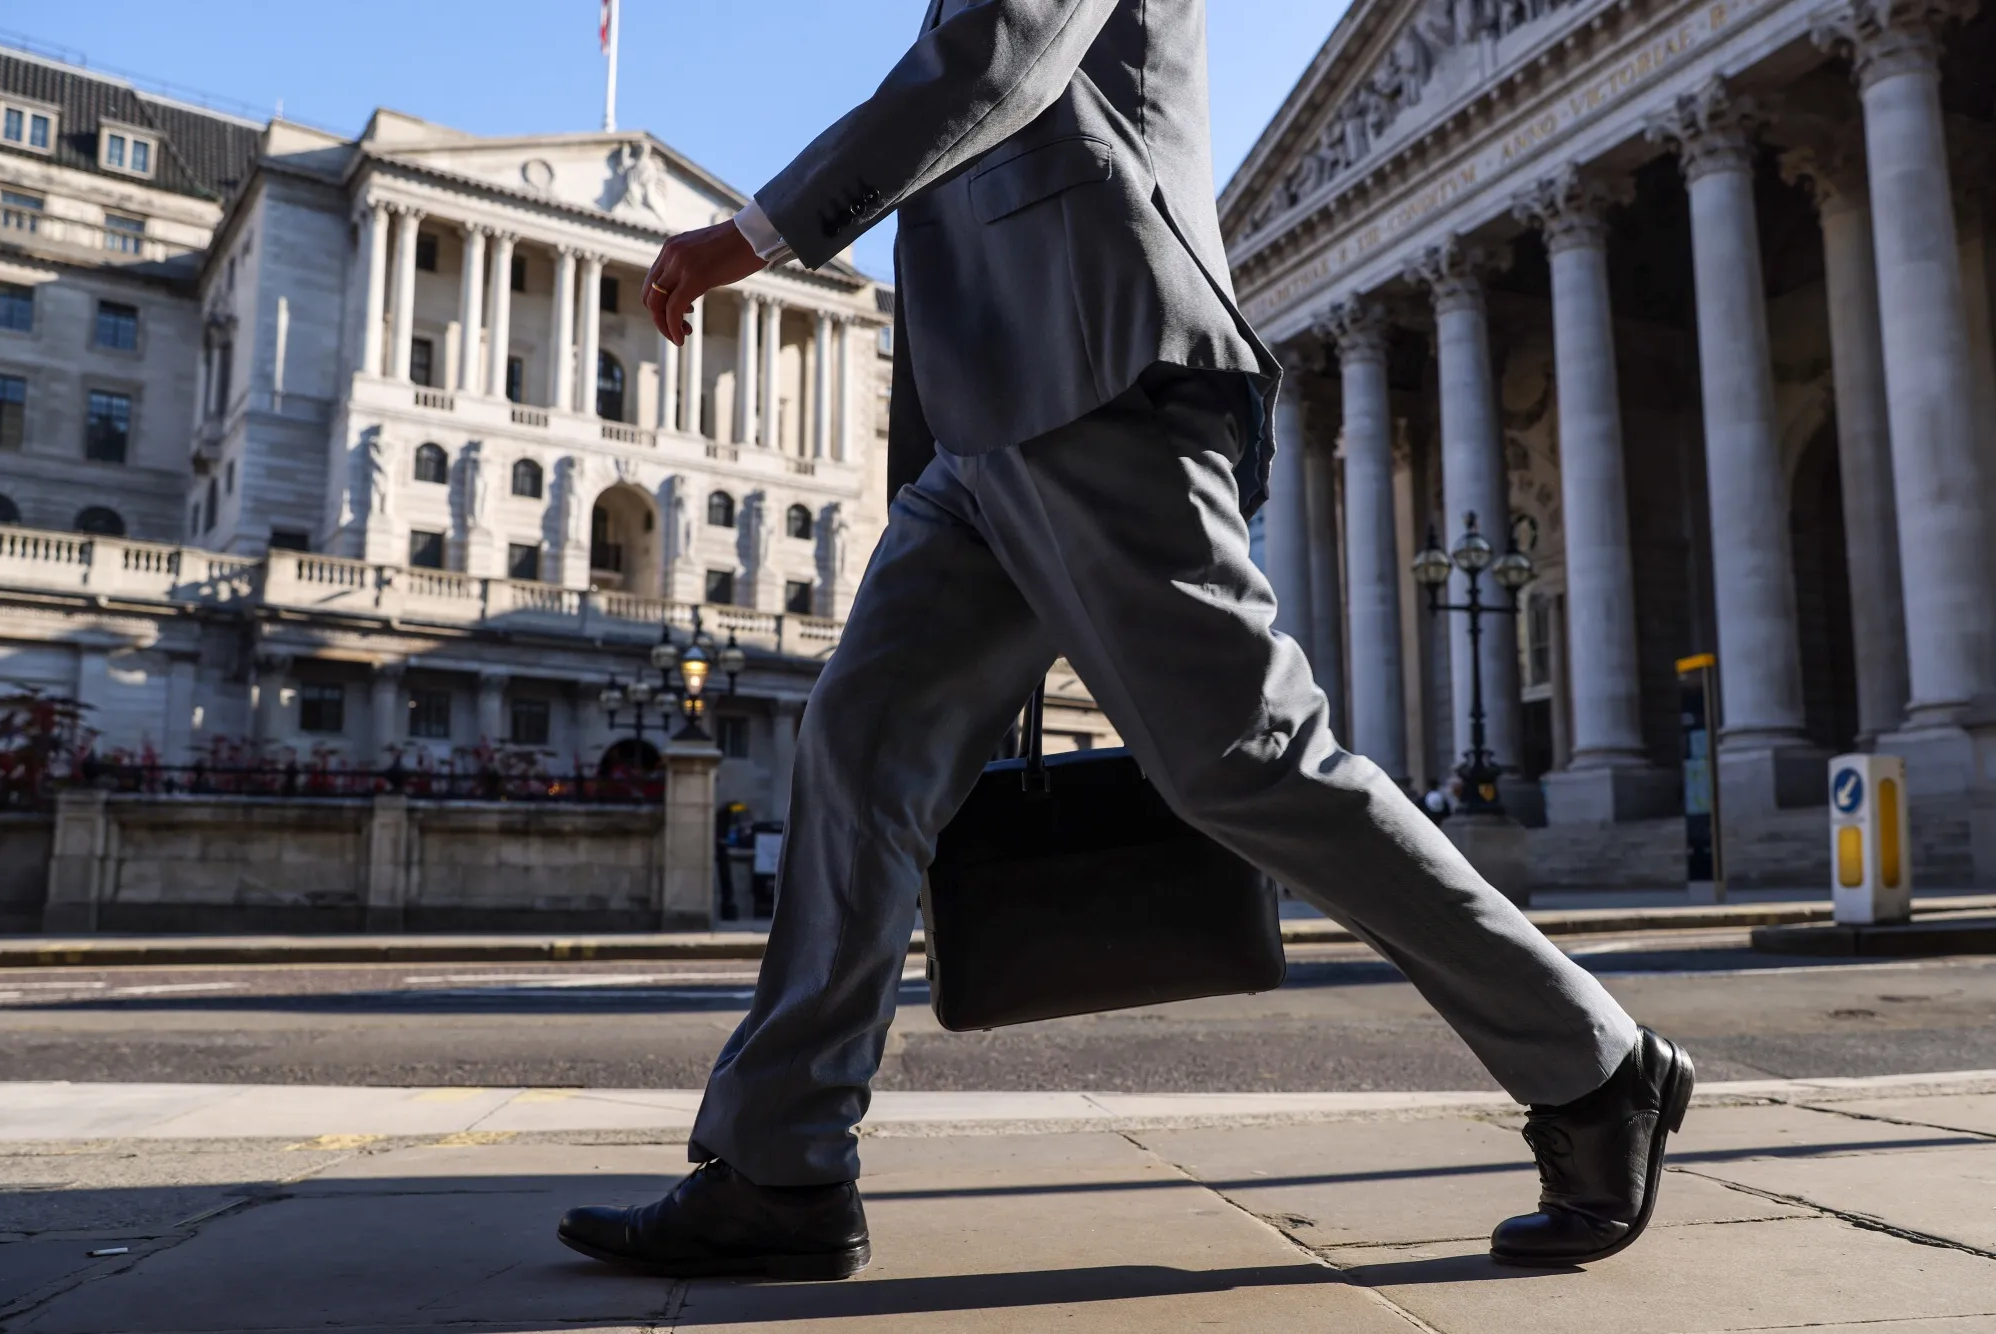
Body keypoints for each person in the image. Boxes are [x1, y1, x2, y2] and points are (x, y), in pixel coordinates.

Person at [558, 0, 1693, 1281]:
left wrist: (759, 231)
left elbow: (997, 57)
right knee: (861, 747)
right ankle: (777, 1166)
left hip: (1095, 369)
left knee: (1245, 759)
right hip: (984, 419)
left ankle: (1595, 1068)